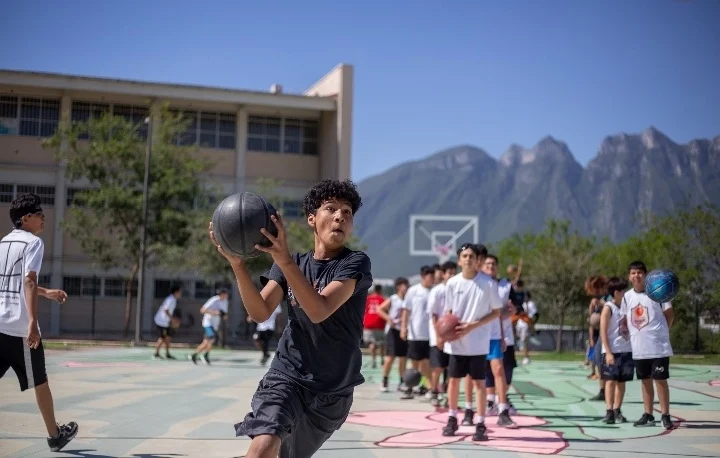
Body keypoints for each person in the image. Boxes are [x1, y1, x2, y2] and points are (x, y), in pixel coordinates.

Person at [211, 179, 372, 458]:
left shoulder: (354, 263)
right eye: (331, 209)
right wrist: (237, 264)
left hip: (333, 389)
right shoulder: (292, 263)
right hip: (288, 375)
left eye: (347, 212)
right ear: (312, 219)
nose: (340, 217)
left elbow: (319, 310)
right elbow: (259, 312)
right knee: (262, 446)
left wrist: (284, 260)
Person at [0, 193, 78, 452]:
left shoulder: (3, 243)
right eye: (38, 213)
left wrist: (47, 293)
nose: (43, 216)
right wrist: (33, 322)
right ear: (25, 219)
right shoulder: (33, 243)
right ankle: (55, 435)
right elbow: (28, 281)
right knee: (40, 381)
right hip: (20, 328)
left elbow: (17, 282)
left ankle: (55, 433)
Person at [441, 243, 502, 442]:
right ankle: (452, 417)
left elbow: (496, 312)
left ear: (477, 261)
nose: (468, 259)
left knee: (479, 383)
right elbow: (448, 313)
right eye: (464, 256)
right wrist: (444, 332)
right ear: (459, 260)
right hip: (456, 342)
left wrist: (473, 326)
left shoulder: (488, 284)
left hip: (478, 342)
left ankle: (481, 422)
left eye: (471, 256)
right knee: (454, 381)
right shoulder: (452, 283)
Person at [623, 261, 675, 430]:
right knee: (645, 381)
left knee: (660, 380)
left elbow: (669, 314)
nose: (636, 275)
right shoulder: (627, 296)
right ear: (629, 277)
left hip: (658, 347)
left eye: (639, 272)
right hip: (639, 348)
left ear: (646, 275)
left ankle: (665, 415)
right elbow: (626, 318)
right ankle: (648, 414)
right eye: (633, 273)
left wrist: (660, 333)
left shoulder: (658, 293)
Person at [481, 254, 517, 426]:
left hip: (498, 334)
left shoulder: (503, 286)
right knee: (477, 373)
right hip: (477, 334)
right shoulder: (476, 284)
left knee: (501, 370)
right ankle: (479, 407)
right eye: (487, 264)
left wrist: (512, 310)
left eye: (493, 264)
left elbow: (509, 310)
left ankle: (502, 407)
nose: (491, 267)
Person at [599, 276, 633, 424]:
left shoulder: (628, 307)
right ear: (616, 292)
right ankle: (609, 411)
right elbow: (603, 331)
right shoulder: (608, 308)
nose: (625, 292)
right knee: (610, 381)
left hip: (626, 349)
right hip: (612, 350)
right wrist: (608, 352)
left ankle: (617, 410)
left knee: (622, 382)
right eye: (623, 290)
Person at [399, 265, 435, 398]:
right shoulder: (414, 291)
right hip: (415, 334)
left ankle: (429, 387)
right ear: (423, 277)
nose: (432, 279)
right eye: (429, 276)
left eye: (433, 276)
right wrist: (404, 328)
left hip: (430, 335)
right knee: (414, 362)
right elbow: (406, 310)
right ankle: (409, 387)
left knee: (426, 363)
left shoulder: (434, 291)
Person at [427, 261, 457, 406]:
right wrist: (439, 335)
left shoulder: (458, 290)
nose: (451, 275)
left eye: (453, 272)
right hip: (438, 335)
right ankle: (434, 391)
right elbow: (433, 315)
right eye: (449, 272)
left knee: (451, 369)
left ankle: (447, 394)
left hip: (453, 336)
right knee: (438, 367)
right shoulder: (437, 291)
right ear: (443, 274)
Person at [377, 277, 409, 392]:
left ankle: (402, 381)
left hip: (403, 331)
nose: (406, 287)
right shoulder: (393, 298)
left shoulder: (408, 300)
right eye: (404, 285)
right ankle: (384, 380)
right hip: (393, 330)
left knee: (403, 358)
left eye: (407, 285)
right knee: (390, 357)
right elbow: (379, 309)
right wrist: (388, 318)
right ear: (398, 287)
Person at [189, 288, 230, 365]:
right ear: (221, 295)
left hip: (215, 325)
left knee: (207, 342)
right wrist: (214, 312)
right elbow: (202, 310)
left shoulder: (225, 302)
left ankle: (195, 355)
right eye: (224, 294)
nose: (226, 296)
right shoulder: (214, 300)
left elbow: (224, 315)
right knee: (212, 338)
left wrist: (223, 315)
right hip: (208, 323)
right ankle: (203, 355)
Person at [153, 285, 182, 360]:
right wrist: (172, 320)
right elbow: (166, 310)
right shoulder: (171, 299)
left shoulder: (173, 300)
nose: (180, 294)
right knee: (163, 338)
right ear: (176, 292)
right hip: (161, 321)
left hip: (165, 322)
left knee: (168, 337)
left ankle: (167, 353)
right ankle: (156, 354)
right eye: (179, 292)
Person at [363, 284, 387, 368]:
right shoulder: (383, 299)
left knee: (372, 343)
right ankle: (382, 359)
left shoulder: (368, 299)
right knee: (381, 342)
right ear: (380, 290)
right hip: (379, 323)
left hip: (369, 323)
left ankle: (373, 360)